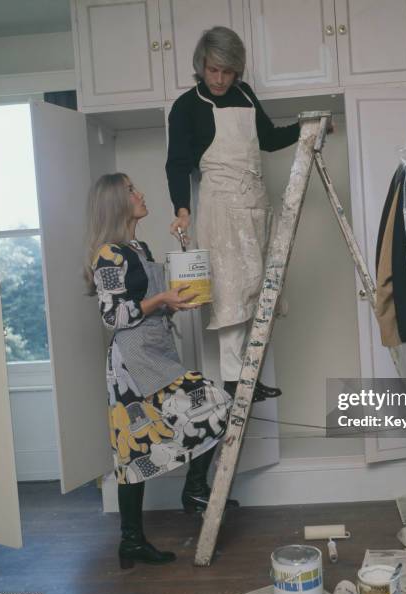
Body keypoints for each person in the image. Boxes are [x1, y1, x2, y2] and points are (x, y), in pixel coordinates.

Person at [84, 173, 237, 570]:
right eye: (133, 190)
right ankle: (135, 539)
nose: (141, 193)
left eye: (137, 187)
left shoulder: (139, 246)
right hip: (132, 360)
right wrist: (160, 300)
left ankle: (192, 491)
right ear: (117, 202)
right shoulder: (108, 254)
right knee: (133, 452)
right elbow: (112, 315)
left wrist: (172, 303)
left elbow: (146, 300)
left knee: (216, 406)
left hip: (157, 348)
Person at [165, 26, 300, 402]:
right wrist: (182, 209)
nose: (220, 79)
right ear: (201, 67)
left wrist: (306, 128)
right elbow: (177, 164)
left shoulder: (245, 94)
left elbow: (269, 139)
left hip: (255, 202)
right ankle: (231, 378)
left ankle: (248, 376)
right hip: (221, 207)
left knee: (256, 289)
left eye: (227, 71)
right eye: (213, 71)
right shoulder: (187, 107)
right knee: (231, 291)